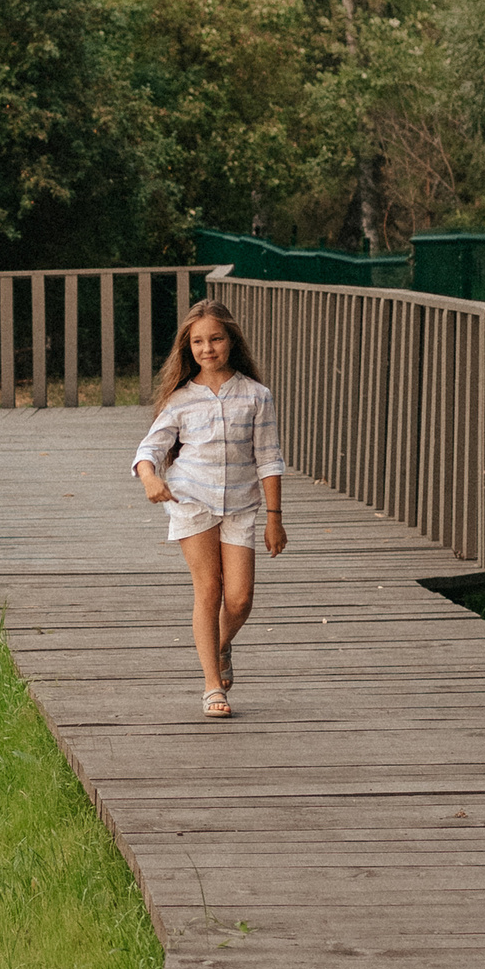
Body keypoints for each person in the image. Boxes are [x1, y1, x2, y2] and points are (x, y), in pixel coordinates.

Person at [132, 299, 286, 718]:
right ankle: (212, 686)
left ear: (231, 340)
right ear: (188, 347)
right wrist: (150, 478)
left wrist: (275, 519)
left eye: (215, 339)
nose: (207, 348)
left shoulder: (256, 396)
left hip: (240, 506)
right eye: (198, 342)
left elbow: (269, 459)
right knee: (209, 590)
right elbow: (149, 449)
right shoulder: (180, 399)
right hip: (192, 502)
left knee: (239, 598)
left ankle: (218, 644)